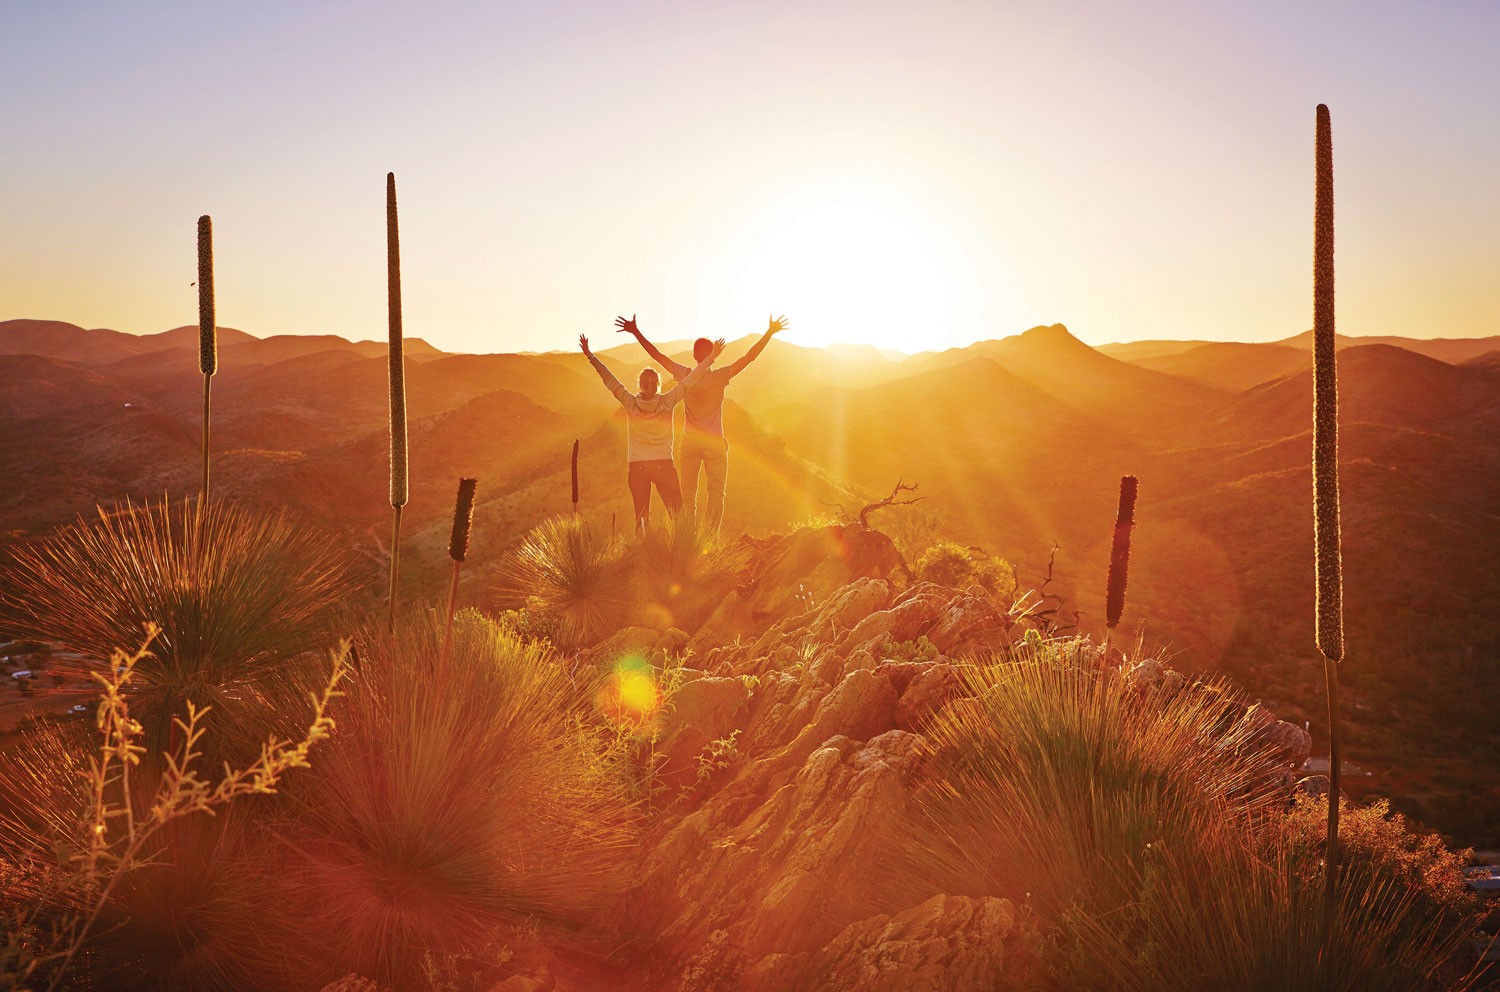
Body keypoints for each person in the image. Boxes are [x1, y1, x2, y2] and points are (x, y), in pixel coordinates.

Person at [614, 313, 787, 534]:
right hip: (715, 442)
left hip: (690, 442)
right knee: (716, 493)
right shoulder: (721, 377)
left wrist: (636, 331)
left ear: (694, 355)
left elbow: (658, 356)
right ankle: (709, 539)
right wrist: (770, 333)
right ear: (712, 355)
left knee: (687, 492)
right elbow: (748, 358)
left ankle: (687, 538)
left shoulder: (685, 375)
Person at [580, 332, 724, 534]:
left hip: (637, 466)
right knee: (678, 516)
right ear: (658, 384)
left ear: (639, 384)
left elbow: (610, 380)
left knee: (641, 518)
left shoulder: (630, 403)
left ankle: (641, 557)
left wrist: (590, 355)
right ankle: (682, 554)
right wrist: (710, 358)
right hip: (663, 464)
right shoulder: (667, 401)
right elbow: (691, 380)